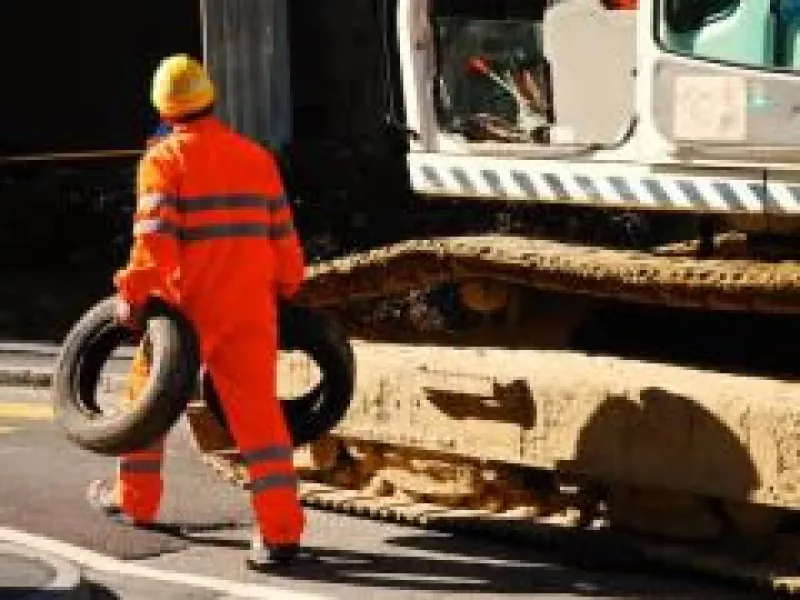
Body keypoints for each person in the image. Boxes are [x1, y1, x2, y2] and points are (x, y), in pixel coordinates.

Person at [86, 54, 306, 569]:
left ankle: (135, 502)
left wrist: (133, 298)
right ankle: (280, 534)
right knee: (260, 421)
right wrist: (288, 287)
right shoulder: (256, 158)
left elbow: (152, 247)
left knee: (147, 403)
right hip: (250, 309)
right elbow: (283, 240)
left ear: (162, 108)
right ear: (211, 99)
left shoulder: (163, 161)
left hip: (185, 314)